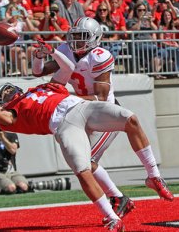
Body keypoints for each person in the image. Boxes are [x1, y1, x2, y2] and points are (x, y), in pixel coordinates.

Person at [0, 39, 173, 231]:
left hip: (81, 107)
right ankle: (112, 217)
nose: (6, 92)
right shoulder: (13, 116)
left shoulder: (42, 88)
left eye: (6, 89)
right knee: (83, 169)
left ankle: (153, 176)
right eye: (2, 94)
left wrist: (51, 52)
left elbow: (67, 66)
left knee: (130, 119)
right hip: (64, 126)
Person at [32, 17, 137, 220]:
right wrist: (38, 56)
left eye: (82, 37)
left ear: (95, 38)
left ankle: (119, 197)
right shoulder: (65, 50)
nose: (77, 42)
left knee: (85, 162)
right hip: (84, 112)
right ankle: (119, 197)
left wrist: (65, 98)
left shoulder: (99, 56)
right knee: (81, 161)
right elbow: (39, 71)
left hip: (107, 113)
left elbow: (101, 97)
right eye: (75, 36)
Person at [0, 122, 30, 195]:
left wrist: (1, 137)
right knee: (11, 188)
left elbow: (13, 150)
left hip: (13, 172)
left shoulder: (12, 135)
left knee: (24, 186)